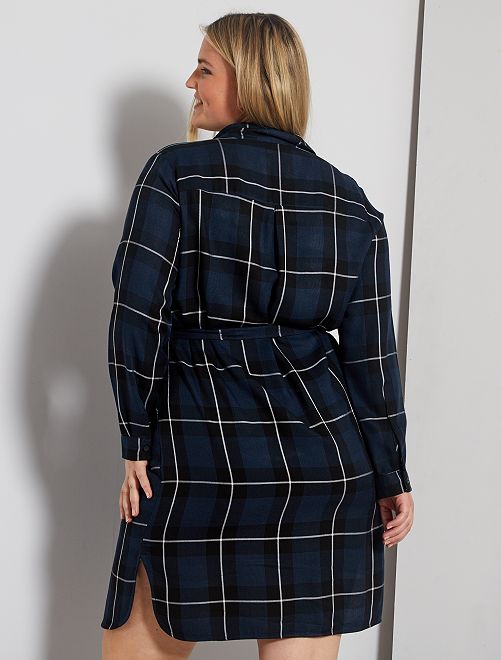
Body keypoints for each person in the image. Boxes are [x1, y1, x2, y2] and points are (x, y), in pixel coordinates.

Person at [101, 11, 414, 660]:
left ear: (250, 80)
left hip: (198, 451)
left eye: (205, 68)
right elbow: (372, 356)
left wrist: (136, 438)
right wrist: (390, 471)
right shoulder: (348, 200)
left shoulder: (176, 174)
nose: (190, 82)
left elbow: (138, 314)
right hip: (324, 467)